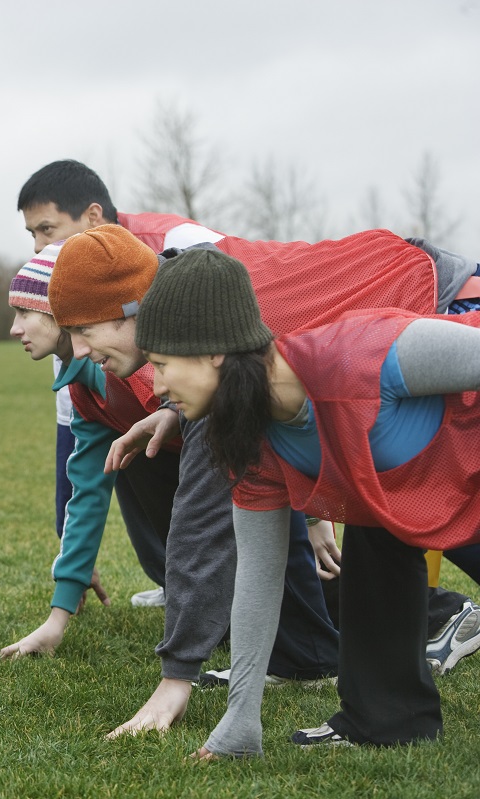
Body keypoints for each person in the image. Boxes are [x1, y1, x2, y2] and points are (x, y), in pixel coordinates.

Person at [42, 224, 480, 739]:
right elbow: (257, 575)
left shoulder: (355, 353)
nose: (154, 386)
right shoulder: (254, 433)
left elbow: (201, 529)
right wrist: (240, 720)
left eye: (162, 366)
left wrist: (177, 673)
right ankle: (385, 720)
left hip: (451, 399)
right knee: (373, 532)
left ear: (211, 354)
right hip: (407, 480)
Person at [0, 239, 338, 688]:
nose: (14, 328)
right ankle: (285, 648)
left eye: (25, 312)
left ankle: (420, 617)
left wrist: (314, 514)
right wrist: (58, 616)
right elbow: (86, 494)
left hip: (281, 445)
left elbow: (259, 420)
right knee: (147, 470)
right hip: (253, 455)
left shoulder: (162, 347)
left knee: (291, 537)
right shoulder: (92, 385)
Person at [16, 160, 223, 606]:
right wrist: (68, 547)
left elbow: (247, 308)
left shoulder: (178, 243)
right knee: (123, 435)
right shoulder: (79, 319)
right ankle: (174, 578)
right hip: (167, 424)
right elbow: (72, 438)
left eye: (47, 229)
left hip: (219, 408)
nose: (38, 246)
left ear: (93, 217)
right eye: (31, 234)